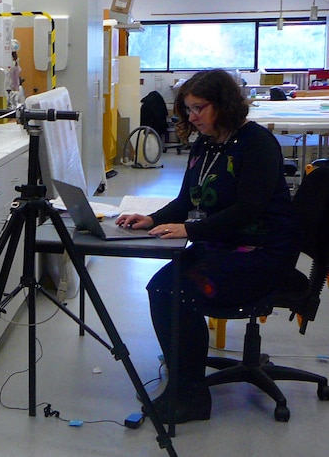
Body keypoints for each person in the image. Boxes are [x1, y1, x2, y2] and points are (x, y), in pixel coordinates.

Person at [116, 68, 300, 424]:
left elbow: (249, 209)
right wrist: (151, 219)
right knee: (161, 287)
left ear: (224, 105)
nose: (192, 116)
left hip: (262, 252)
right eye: (188, 109)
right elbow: (187, 199)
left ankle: (191, 396)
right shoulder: (206, 144)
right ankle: (185, 381)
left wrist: (188, 229)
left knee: (177, 291)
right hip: (222, 245)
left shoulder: (257, 143)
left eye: (200, 107)